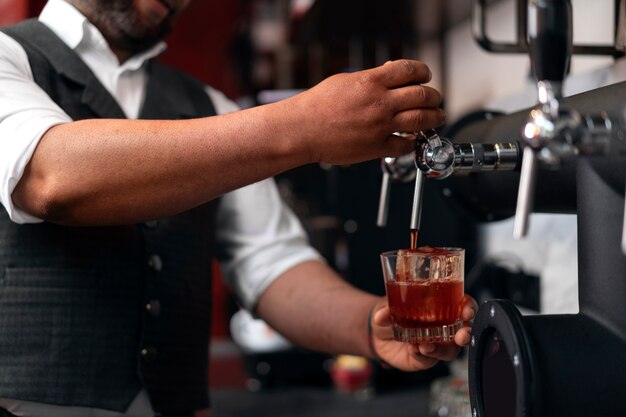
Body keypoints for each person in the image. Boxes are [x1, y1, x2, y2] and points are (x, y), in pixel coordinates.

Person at [0, 0, 477, 416]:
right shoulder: (10, 58)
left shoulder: (207, 103)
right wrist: (306, 126)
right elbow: (51, 177)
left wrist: (369, 327)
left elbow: (272, 264)